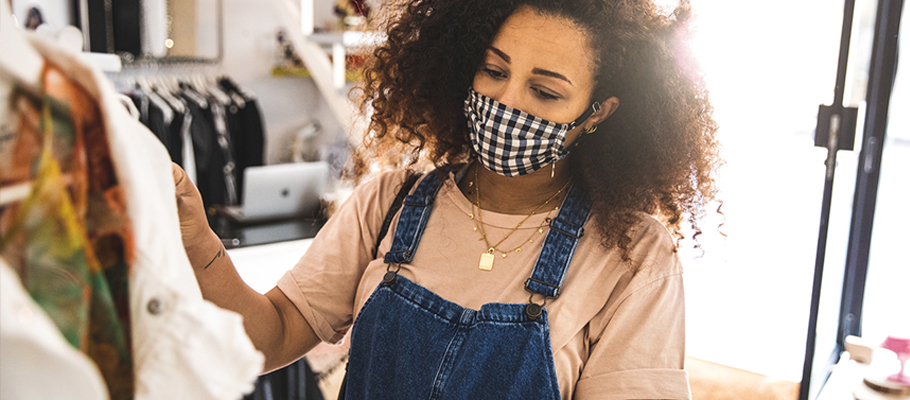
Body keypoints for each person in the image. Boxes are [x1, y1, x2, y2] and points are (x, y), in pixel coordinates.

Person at [172, 0, 721, 398]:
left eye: (545, 91)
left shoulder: (631, 256)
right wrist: (197, 238)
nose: (506, 101)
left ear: (598, 112)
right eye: (494, 70)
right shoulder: (389, 202)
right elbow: (267, 336)